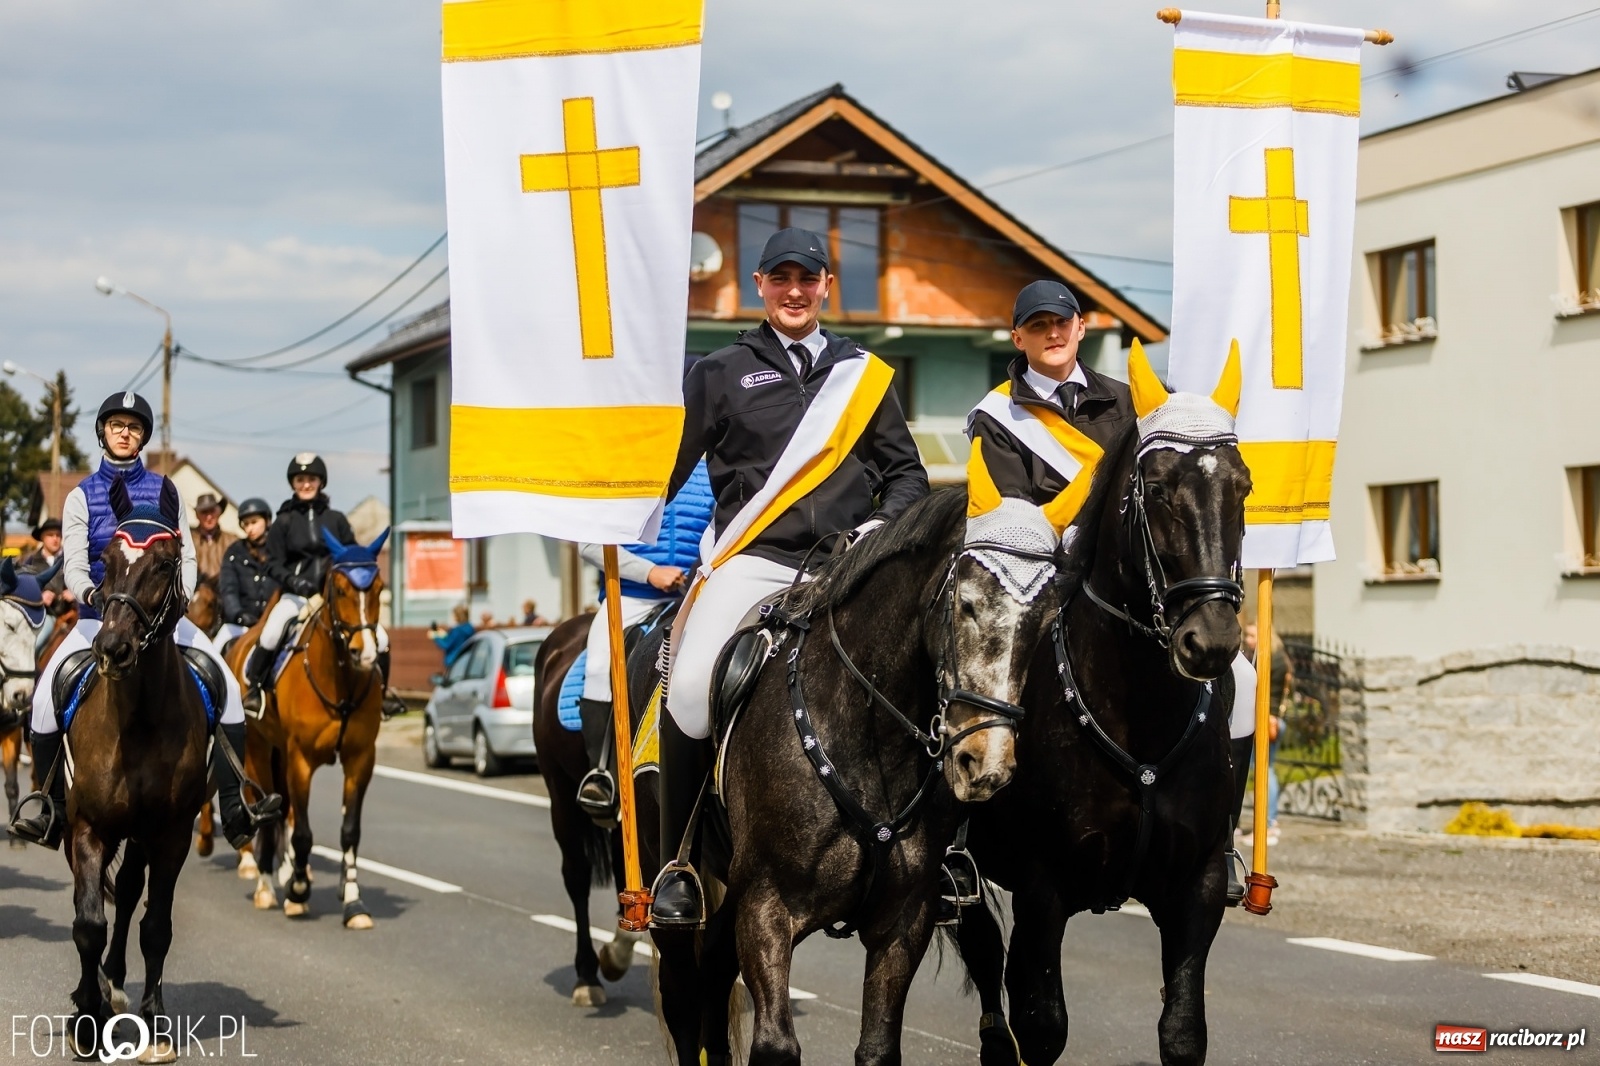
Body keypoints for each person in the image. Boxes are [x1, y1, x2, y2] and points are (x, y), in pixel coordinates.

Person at [651, 227, 929, 925]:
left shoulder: (864, 376)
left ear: (826, 286)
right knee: (686, 687)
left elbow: (907, 474)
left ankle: (940, 854)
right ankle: (677, 862)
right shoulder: (718, 373)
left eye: (808, 278)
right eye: (782, 278)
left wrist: (877, 528)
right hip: (756, 562)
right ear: (760, 286)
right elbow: (668, 471)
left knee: (933, 668)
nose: (795, 291)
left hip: (846, 568)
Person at [9, 391, 282, 850]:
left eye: (133, 427)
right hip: (99, 619)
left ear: (142, 437)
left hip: (161, 622)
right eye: (117, 425)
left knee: (230, 690)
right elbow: (75, 562)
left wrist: (180, 601)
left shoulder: (165, 491)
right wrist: (91, 594)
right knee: (42, 700)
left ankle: (235, 809)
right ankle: (50, 807)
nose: (124, 432)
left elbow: (187, 557)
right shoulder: (80, 496)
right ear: (103, 432)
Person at [574, 460, 714, 821]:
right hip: (630, 595)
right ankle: (601, 775)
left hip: (693, 591)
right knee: (597, 665)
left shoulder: (712, 463)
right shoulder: (626, 462)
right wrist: (649, 572)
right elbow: (589, 544)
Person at [240, 454, 403, 717]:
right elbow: (272, 564)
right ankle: (255, 691)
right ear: (293, 483)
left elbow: (351, 555)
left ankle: (382, 697)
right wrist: (296, 582)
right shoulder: (284, 521)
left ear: (321, 482)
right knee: (271, 632)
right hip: (296, 596)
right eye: (301, 479)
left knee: (381, 639)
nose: (306, 484)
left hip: (334, 597)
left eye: (311, 479)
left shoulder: (336, 520)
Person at [966, 280, 1134, 506]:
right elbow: (1011, 512)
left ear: (1081, 328)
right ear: (1017, 339)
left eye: (1062, 322)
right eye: (1038, 325)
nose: (1053, 333)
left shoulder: (1125, 401)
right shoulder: (996, 416)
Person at [217, 497, 278, 648]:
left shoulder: (281, 550)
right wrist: (239, 614)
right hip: (240, 625)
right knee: (214, 651)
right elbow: (228, 589)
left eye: (254, 522)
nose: (250, 528)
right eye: (246, 524)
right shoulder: (234, 552)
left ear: (267, 521)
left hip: (274, 622)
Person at [20, 518, 72, 614]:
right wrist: (39, 596)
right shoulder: (30, 562)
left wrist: (75, 593)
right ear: (42, 537)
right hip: (43, 613)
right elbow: (22, 589)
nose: (55, 539)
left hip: (69, 613)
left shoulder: (71, 559)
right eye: (50, 535)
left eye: (58, 535)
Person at [191, 492, 236, 583]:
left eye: (212, 511)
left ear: (219, 512)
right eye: (204, 512)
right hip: (196, 593)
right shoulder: (188, 541)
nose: (209, 517)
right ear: (197, 515)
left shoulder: (233, 541)